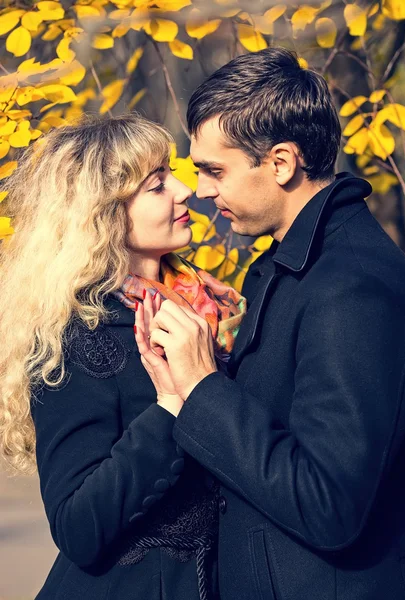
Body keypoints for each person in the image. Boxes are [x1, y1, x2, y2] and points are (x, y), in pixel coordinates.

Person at [135, 48, 405, 600]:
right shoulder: (285, 269)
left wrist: (203, 388)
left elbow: (330, 504)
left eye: (214, 170)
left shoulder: (353, 287)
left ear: (280, 163)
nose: (199, 190)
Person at [0, 114, 246, 600]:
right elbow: (77, 527)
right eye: (157, 186)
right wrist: (173, 405)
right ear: (103, 213)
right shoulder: (76, 337)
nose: (185, 191)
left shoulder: (211, 308)